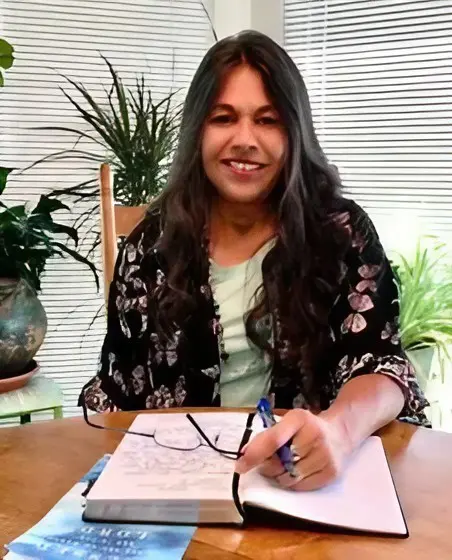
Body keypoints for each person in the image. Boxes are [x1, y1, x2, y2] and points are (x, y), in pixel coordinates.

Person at [79, 30, 429, 491]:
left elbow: (381, 365)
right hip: (176, 488)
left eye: (267, 120)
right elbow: (118, 392)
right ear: (197, 132)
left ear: (294, 132)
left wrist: (339, 431)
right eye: (223, 118)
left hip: (307, 484)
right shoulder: (150, 246)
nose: (244, 140)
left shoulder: (341, 233)